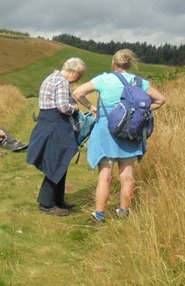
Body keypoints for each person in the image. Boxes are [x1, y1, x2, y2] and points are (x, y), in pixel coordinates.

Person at [72, 49, 166, 222]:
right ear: (130, 64)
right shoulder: (140, 82)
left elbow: (77, 93)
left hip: (106, 130)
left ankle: (99, 215)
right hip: (131, 131)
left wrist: (90, 106)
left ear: (114, 63)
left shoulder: (104, 79)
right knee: (127, 175)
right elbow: (160, 100)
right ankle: (123, 212)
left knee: (105, 175)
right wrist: (140, 111)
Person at [26, 58, 87, 216]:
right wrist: (74, 108)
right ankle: (46, 204)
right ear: (72, 71)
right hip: (56, 125)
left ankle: (58, 200)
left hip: (48, 123)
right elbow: (62, 107)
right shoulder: (61, 82)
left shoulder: (50, 77)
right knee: (56, 163)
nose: (77, 81)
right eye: (78, 76)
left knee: (60, 161)